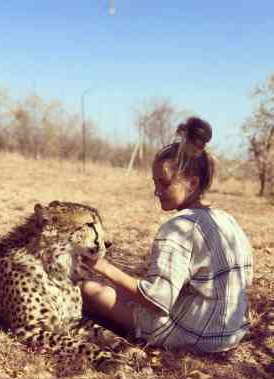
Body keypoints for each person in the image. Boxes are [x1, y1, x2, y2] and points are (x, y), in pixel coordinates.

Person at [81, 117, 253, 353]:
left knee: (89, 290)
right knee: (123, 286)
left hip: (195, 336)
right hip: (229, 332)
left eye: (164, 183)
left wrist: (103, 267)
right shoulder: (227, 219)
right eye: (155, 183)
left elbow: (158, 301)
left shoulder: (178, 228)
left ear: (192, 184)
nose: (156, 191)